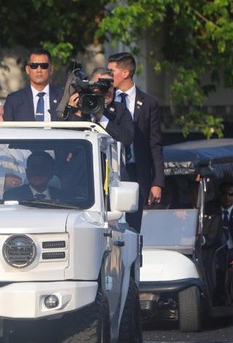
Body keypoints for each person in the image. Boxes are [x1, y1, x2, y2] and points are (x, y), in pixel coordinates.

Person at [107, 52, 164, 231]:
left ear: (125, 73)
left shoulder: (149, 103)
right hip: (111, 171)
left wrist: (157, 182)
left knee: (133, 227)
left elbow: (155, 144)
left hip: (136, 172)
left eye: (112, 71)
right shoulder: (105, 99)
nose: (108, 77)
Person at [201, 181, 233, 306]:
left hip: (232, 250)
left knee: (232, 270)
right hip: (213, 249)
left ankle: (230, 299)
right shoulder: (210, 209)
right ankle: (210, 298)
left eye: (231, 194)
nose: (227, 197)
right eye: (224, 194)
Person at [64, 67, 134, 148]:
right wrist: (76, 114)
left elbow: (127, 139)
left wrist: (101, 118)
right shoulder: (77, 106)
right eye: (102, 86)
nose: (107, 90)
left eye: (110, 86)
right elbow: (67, 144)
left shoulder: (120, 109)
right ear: (90, 86)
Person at [3, 48, 64, 122]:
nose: (39, 70)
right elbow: (7, 131)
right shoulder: (13, 100)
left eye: (44, 66)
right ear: (27, 69)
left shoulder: (63, 97)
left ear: (51, 69)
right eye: (34, 66)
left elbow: (75, 129)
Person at [3, 152, 68, 202]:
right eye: (33, 168)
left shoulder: (66, 198)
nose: (37, 173)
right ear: (27, 172)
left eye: (43, 168)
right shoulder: (12, 196)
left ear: (51, 173)